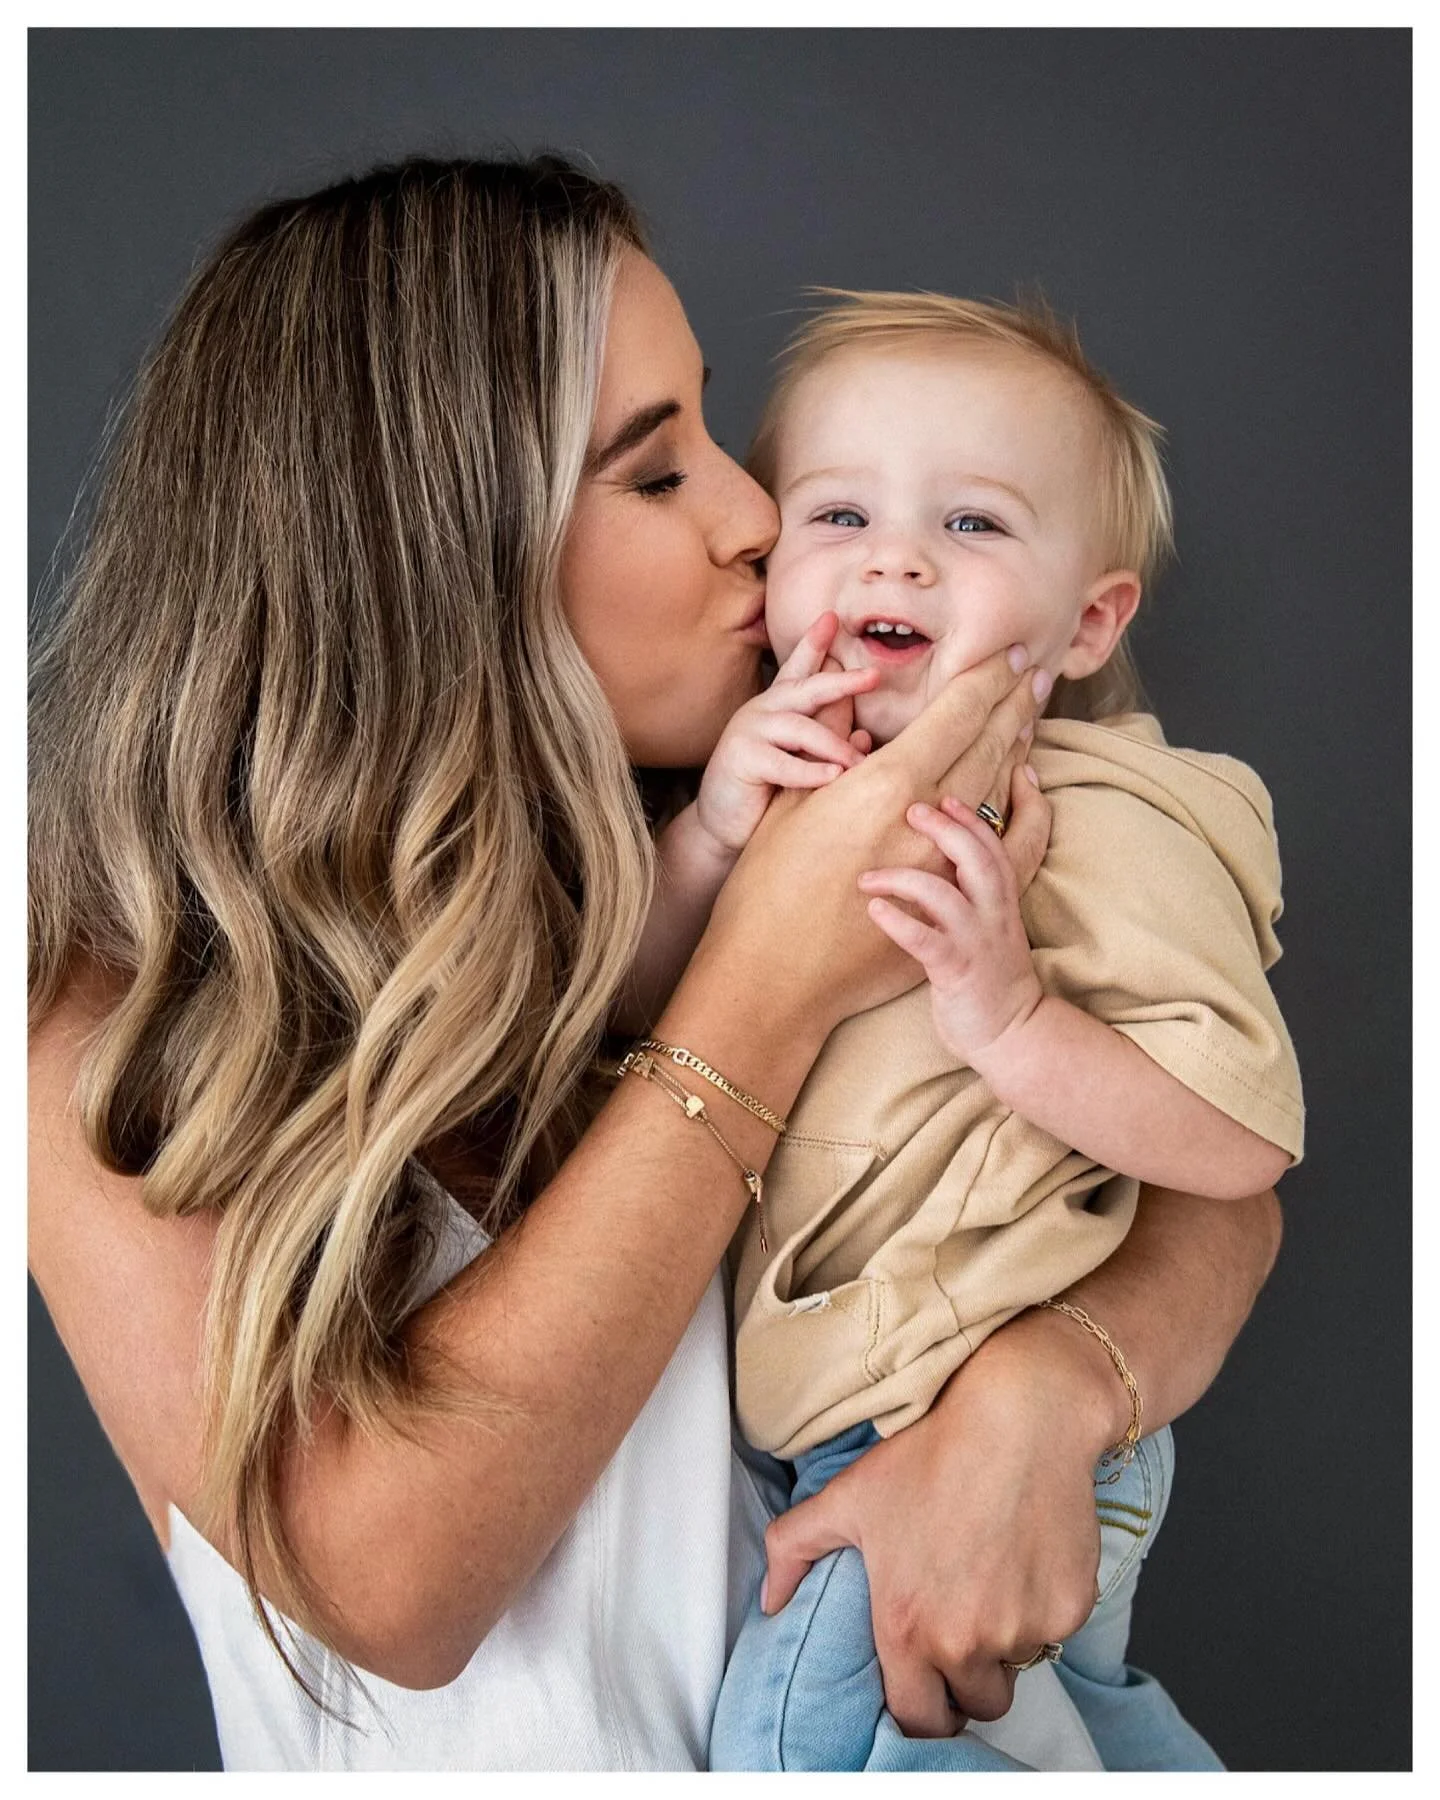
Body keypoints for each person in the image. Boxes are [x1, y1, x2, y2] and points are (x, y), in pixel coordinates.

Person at [27, 154, 1283, 1771]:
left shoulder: (759, 813)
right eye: (654, 471)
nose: (760, 512)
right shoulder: (110, 1010)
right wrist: (764, 977)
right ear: (428, 560)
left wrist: (1040, 1396)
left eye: (713, 430)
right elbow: (393, 1588)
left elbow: (1224, 1192)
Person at [624, 290, 1304, 1771]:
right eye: (840, 512)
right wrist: (709, 849)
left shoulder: (1108, 818)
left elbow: (1242, 1142)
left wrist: (1012, 1019)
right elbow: (624, 1031)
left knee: (796, 1743)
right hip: (854, 1423)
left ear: (1090, 621)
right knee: (1083, 1727)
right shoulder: (756, 791)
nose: (898, 556)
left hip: (967, 1432)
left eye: (977, 527)